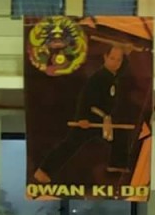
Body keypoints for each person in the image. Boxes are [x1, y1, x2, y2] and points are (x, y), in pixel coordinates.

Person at [33, 44, 131, 184]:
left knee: (120, 134)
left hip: (103, 119)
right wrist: (82, 118)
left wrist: (127, 52)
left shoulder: (112, 76)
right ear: (105, 57)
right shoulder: (98, 77)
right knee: (71, 143)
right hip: (90, 117)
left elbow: (123, 67)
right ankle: (44, 171)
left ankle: (117, 166)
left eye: (118, 60)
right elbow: (85, 98)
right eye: (112, 58)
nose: (115, 62)